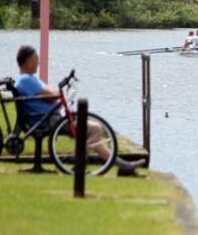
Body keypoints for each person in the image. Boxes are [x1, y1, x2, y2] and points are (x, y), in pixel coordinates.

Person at [14, 45, 144, 175]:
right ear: (29, 61)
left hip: (48, 118)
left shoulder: (27, 79)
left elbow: (49, 94)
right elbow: (53, 96)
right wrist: (55, 91)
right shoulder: (27, 80)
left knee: (93, 134)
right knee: (95, 129)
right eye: (36, 59)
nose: (39, 62)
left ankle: (124, 166)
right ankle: (80, 162)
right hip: (48, 120)